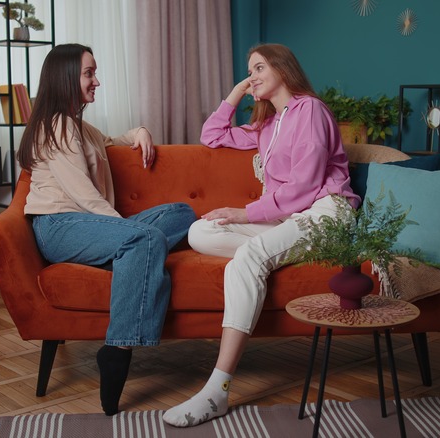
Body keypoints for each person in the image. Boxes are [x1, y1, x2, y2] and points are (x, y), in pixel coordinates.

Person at [163, 43, 361, 427]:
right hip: (287, 220)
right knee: (200, 230)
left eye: (258, 67)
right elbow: (212, 135)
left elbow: (305, 186)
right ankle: (276, 251)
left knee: (248, 258)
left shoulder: (311, 111)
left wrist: (244, 212)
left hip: (326, 212)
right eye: (248, 70)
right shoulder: (268, 125)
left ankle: (217, 390)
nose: (252, 75)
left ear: (283, 68)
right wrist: (237, 93)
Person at [17, 43, 196, 416]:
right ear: (66, 77)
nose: (96, 81)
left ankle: (129, 254)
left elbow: (114, 140)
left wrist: (141, 131)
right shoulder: (57, 126)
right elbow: (85, 198)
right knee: (145, 237)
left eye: (94, 72)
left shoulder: (81, 126)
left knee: (181, 212)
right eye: (88, 73)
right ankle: (118, 349)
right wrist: (129, 233)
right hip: (60, 226)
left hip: (89, 224)